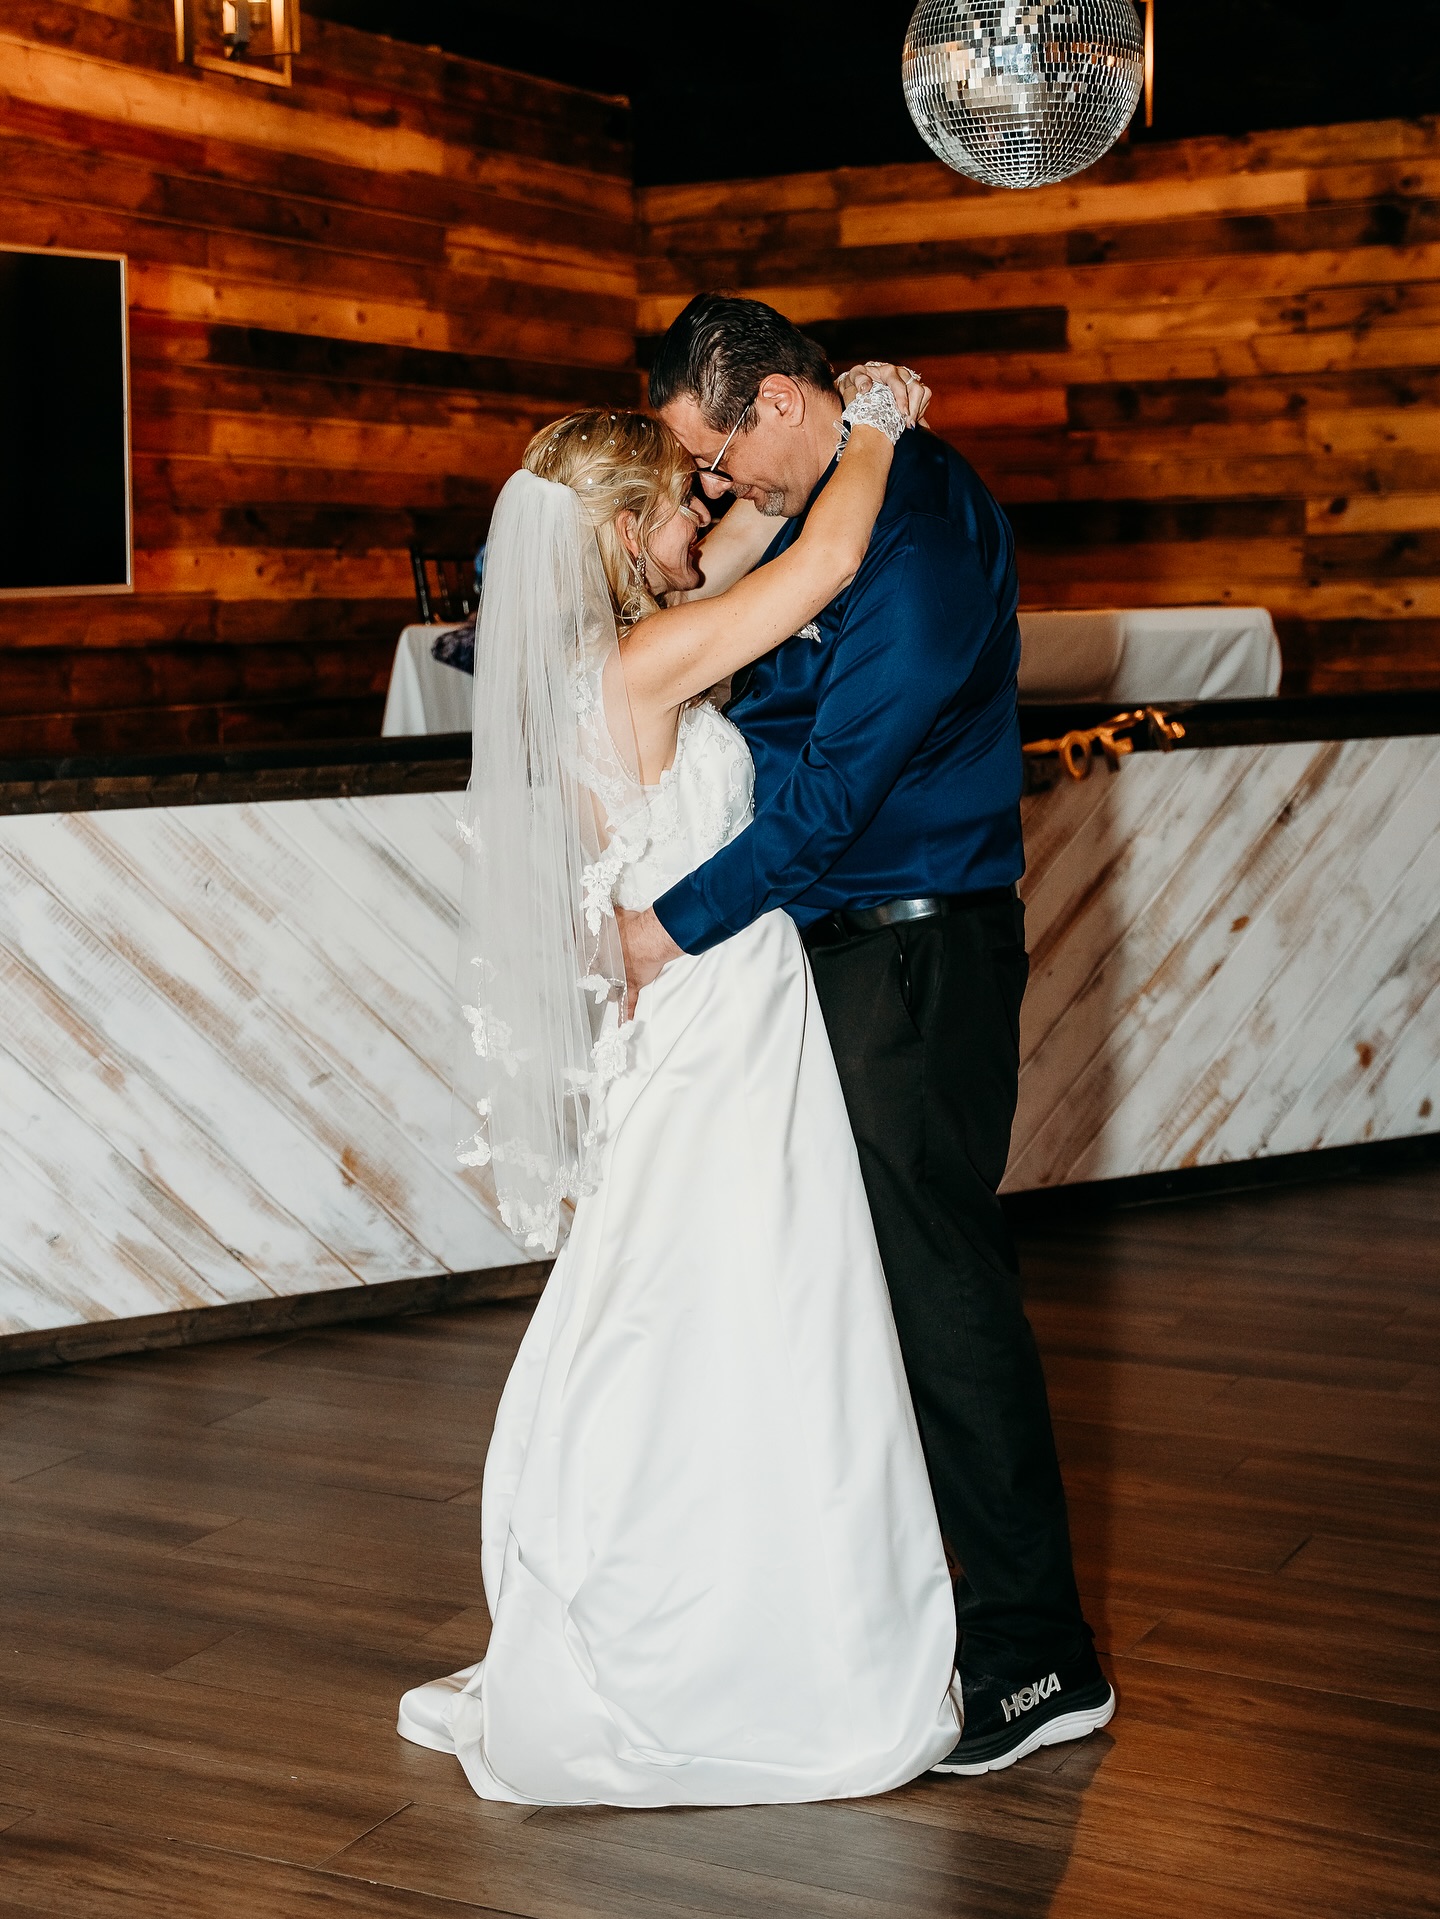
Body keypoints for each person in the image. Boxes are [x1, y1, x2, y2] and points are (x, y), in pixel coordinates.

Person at [397, 370, 967, 1806]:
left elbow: (749, 553)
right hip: (719, 1023)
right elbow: (827, 557)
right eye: (680, 501)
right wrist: (882, 420)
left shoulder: (618, 655)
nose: (705, 509)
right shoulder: (640, 672)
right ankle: (732, 1641)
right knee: (749, 1305)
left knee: (708, 1296)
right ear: (627, 528)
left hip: (714, 1013)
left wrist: (766, 477)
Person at [621, 293, 1114, 1776]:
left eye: (721, 453)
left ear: (778, 401)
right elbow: (771, 695)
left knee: (944, 1296)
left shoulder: (921, 531)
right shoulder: (843, 492)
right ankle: (903, 1608)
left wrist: (665, 927)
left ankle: (1038, 1654)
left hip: (917, 959)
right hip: (842, 954)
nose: (718, 486)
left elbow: (834, 803)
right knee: (869, 1300)